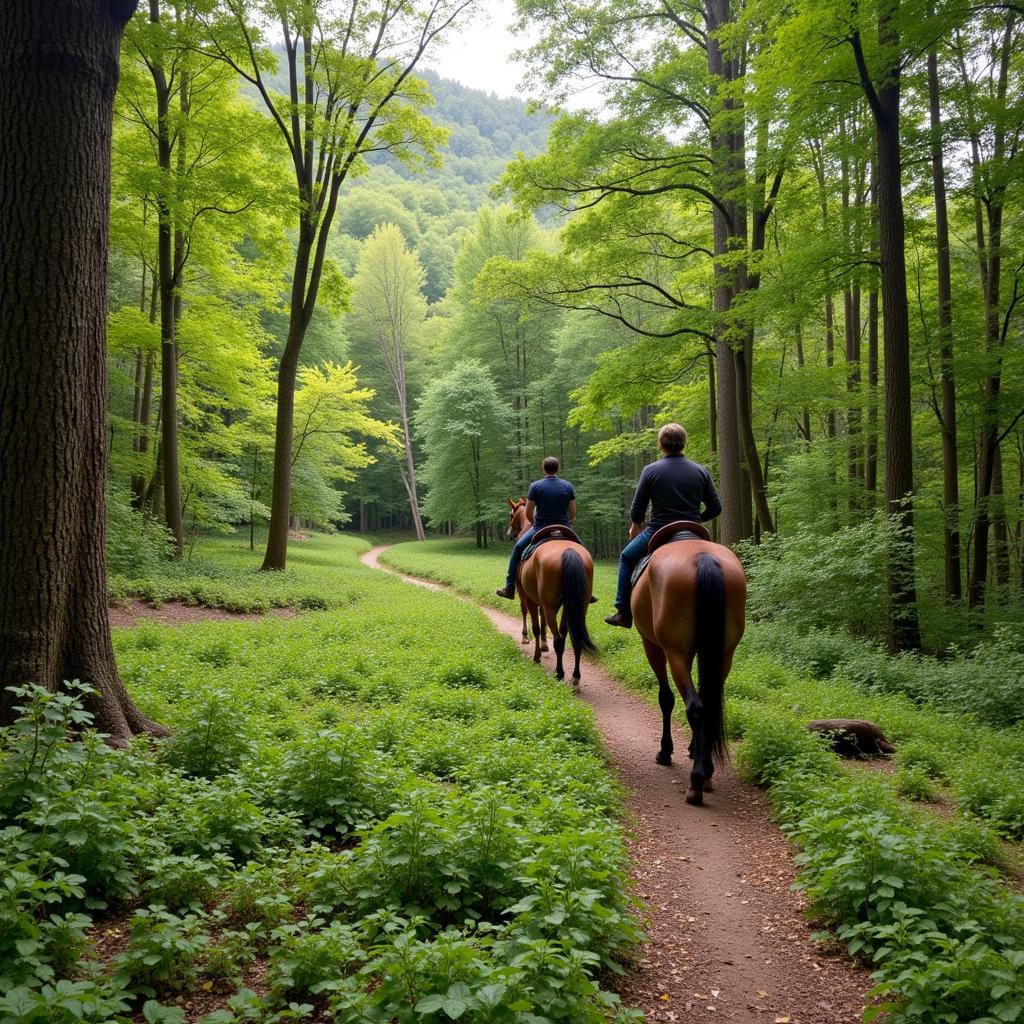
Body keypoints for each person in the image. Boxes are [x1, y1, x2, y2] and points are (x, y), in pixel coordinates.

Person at [604, 423, 722, 628]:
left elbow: (637, 510)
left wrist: (636, 524)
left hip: (659, 529)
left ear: (660, 445)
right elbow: (715, 508)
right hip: (693, 529)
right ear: (684, 444)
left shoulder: (651, 471)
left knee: (627, 556)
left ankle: (623, 611)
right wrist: (696, 519)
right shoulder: (701, 471)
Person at [496, 456, 577, 598]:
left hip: (540, 527)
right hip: (564, 527)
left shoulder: (536, 486)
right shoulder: (568, 486)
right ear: (558, 468)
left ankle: (509, 587)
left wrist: (536, 524)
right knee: (581, 551)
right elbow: (572, 513)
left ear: (543, 468)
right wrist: (565, 522)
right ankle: (586, 591)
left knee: (518, 548)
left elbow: (528, 513)